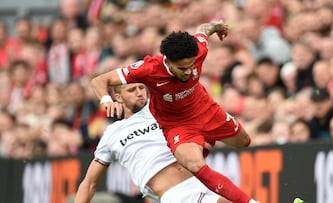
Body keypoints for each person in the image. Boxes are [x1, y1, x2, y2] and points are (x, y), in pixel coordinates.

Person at [91, 21, 257, 203]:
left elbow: (203, 30)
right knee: (194, 164)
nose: (188, 72)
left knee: (244, 141)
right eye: (182, 68)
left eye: (191, 66)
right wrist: (106, 100)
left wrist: (217, 26)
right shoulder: (150, 69)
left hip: (205, 110)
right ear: (168, 61)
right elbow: (100, 80)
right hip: (177, 125)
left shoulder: (199, 50)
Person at [74, 83, 234, 203]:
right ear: (118, 97)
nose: (139, 93)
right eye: (131, 90)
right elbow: (89, 183)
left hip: (202, 182)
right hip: (176, 194)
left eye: (141, 88)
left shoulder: (161, 107)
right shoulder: (112, 133)